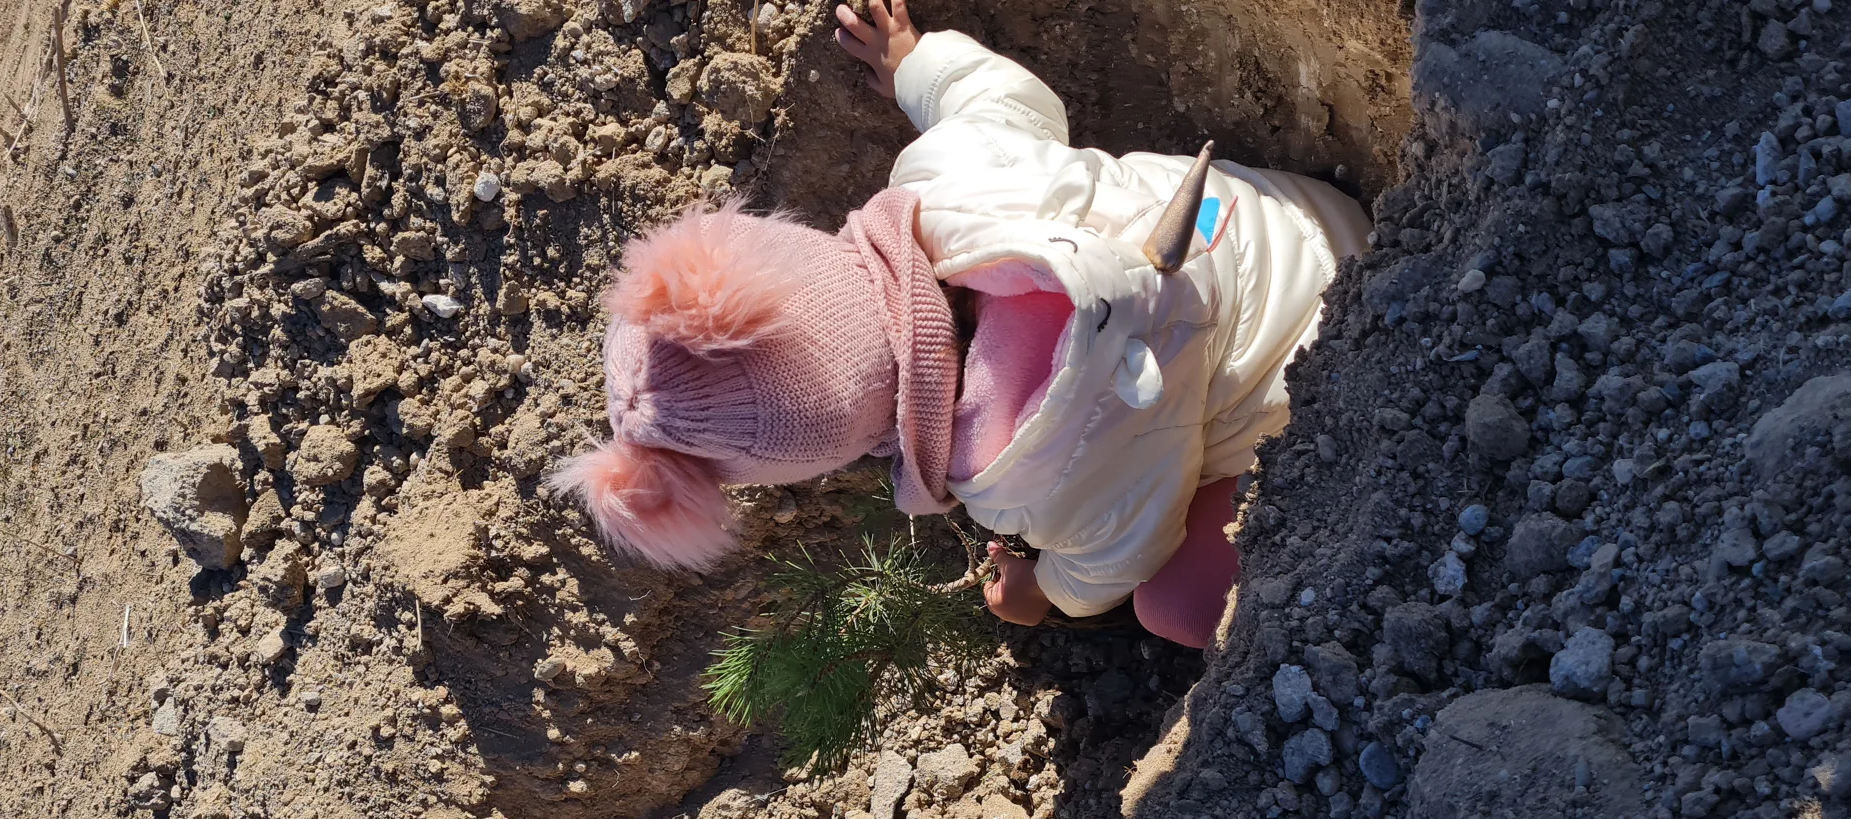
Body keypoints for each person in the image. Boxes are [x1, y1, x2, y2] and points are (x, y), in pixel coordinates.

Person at [552, 0, 1369, 648]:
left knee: (1176, 610)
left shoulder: (1024, 474)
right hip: (1312, 220)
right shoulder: (950, 173)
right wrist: (918, 66)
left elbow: (1123, 550)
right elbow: (1007, 99)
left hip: (1338, 382)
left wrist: (1046, 594)